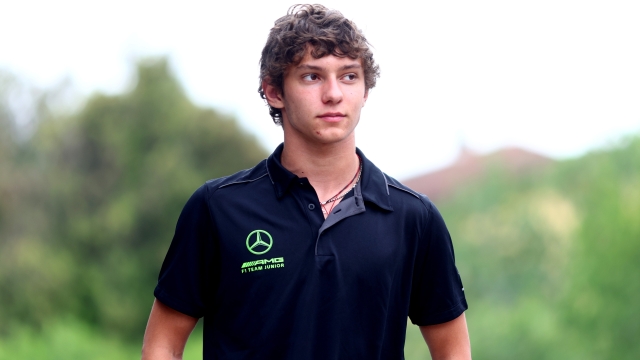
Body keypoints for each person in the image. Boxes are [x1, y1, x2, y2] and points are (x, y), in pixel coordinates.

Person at [142, 4, 470, 359]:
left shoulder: (413, 217)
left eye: (348, 76)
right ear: (274, 91)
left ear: (365, 92)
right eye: (312, 76)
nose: (333, 94)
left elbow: (453, 350)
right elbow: (162, 344)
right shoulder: (218, 207)